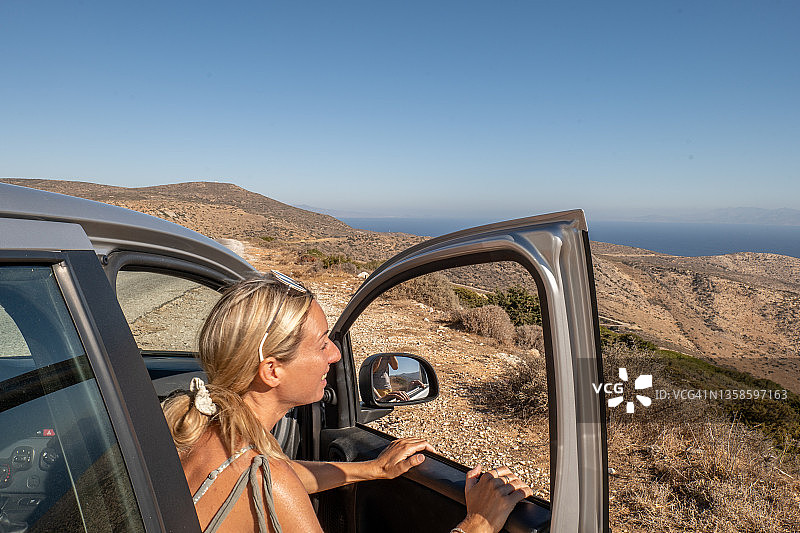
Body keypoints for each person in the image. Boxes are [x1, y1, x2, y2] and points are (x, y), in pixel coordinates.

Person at [162, 272, 533, 533]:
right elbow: (276, 483)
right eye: (322, 342)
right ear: (272, 370)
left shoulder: (195, 427)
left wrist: (368, 469)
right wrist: (478, 524)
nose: (335, 355)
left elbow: (281, 475)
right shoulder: (264, 480)